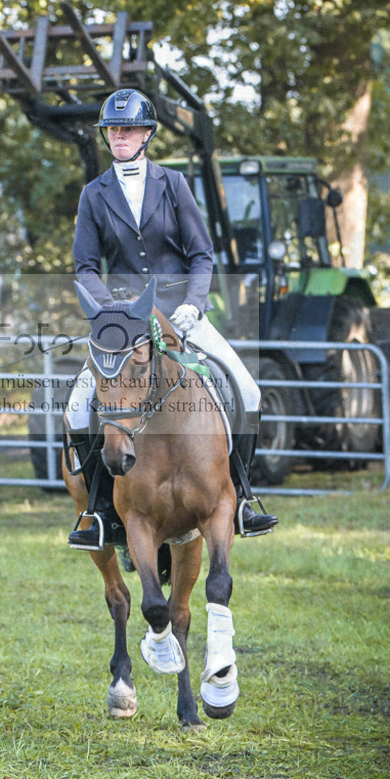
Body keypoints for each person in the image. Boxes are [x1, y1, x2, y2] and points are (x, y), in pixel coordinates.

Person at [65, 88, 278, 550]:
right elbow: (85, 266)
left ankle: (240, 498)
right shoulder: (93, 194)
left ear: (146, 134)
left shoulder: (173, 184)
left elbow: (202, 254)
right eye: (113, 130)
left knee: (248, 388)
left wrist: (194, 304)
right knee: (77, 407)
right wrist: (110, 312)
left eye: (128, 129)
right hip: (122, 321)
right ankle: (99, 514)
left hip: (181, 315)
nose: (120, 136)